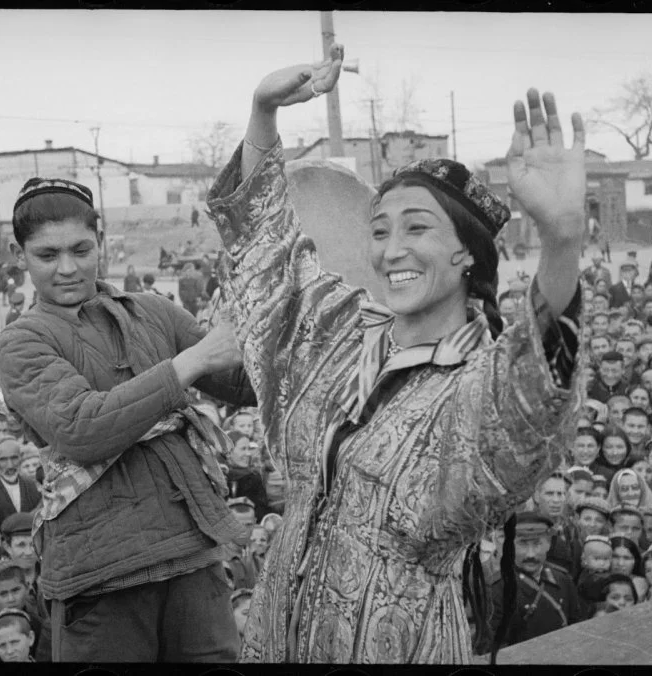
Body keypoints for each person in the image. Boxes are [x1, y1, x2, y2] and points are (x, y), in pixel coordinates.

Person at [208, 46, 587, 663]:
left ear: (467, 254)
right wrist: (263, 114)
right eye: (380, 229)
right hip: (275, 641)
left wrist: (562, 241)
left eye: (417, 228)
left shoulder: (474, 385)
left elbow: (533, 393)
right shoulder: (337, 334)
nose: (391, 250)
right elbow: (271, 253)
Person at [0, 176, 257, 663]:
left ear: (101, 241)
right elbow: (83, 428)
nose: (68, 268)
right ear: (19, 255)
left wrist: (269, 325)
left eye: (81, 249)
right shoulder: (21, 341)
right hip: (101, 573)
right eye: (47, 256)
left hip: (193, 554)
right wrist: (191, 363)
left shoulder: (154, 312)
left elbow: (244, 386)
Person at [487, 513, 584, 650]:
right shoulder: (497, 589)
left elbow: (577, 628)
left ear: (548, 544)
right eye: (522, 544)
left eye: (537, 544)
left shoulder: (563, 579)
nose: (531, 554)